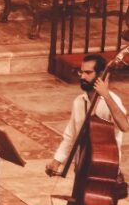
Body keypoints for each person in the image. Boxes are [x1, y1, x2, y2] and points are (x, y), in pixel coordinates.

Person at [45, 53, 129, 193]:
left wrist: (106, 95)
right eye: (81, 72)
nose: (82, 76)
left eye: (88, 72)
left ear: (101, 75)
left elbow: (124, 126)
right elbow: (71, 136)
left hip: (104, 172)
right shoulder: (78, 102)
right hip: (82, 169)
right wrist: (57, 161)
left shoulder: (113, 101)